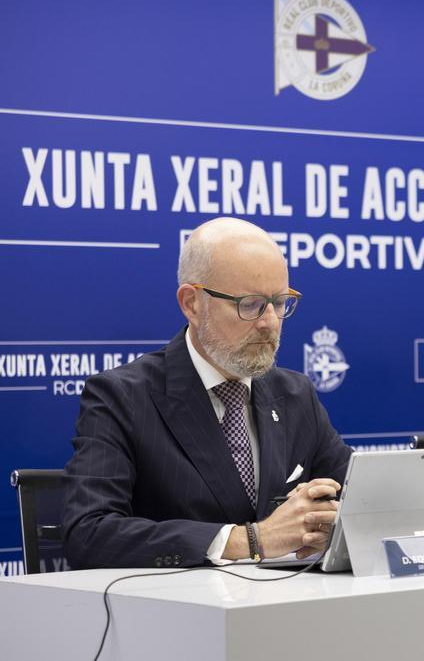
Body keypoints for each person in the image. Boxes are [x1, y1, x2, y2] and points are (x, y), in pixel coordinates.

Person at [62, 218, 352, 569]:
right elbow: (89, 533)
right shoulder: (122, 397)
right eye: (251, 304)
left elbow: (356, 497)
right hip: (177, 613)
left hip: (285, 611)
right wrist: (250, 540)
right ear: (192, 303)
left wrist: (329, 523)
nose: (270, 322)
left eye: (279, 302)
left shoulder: (294, 394)